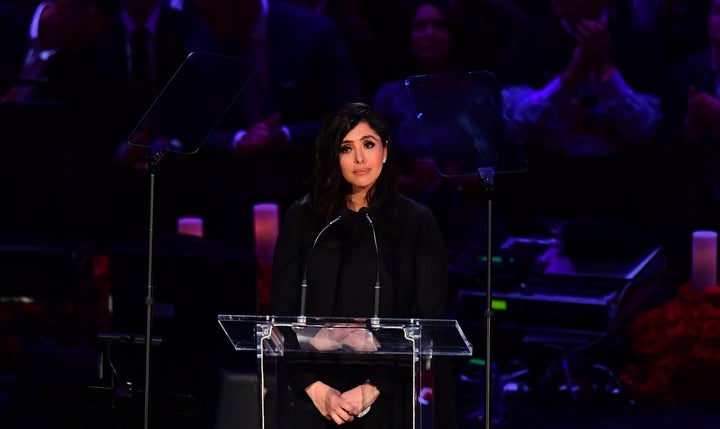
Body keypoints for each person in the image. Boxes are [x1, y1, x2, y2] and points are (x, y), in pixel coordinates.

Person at [270, 102, 456, 428]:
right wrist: (313, 387)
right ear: (333, 157)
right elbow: (282, 314)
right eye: (347, 148)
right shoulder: (304, 218)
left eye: (368, 145)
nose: (359, 159)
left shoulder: (417, 222)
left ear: (385, 151)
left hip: (390, 396)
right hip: (313, 397)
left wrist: (372, 389)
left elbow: (427, 323)